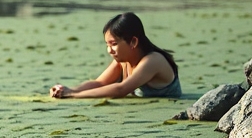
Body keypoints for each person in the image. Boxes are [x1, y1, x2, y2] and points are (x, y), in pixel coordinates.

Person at [50, 12, 181, 99]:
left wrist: (72, 95)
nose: (109, 50)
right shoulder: (123, 61)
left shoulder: (153, 60)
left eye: (113, 44)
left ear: (133, 42)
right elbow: (99, 83)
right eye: (107, 45)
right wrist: (67, 90)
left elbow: (121, 90)